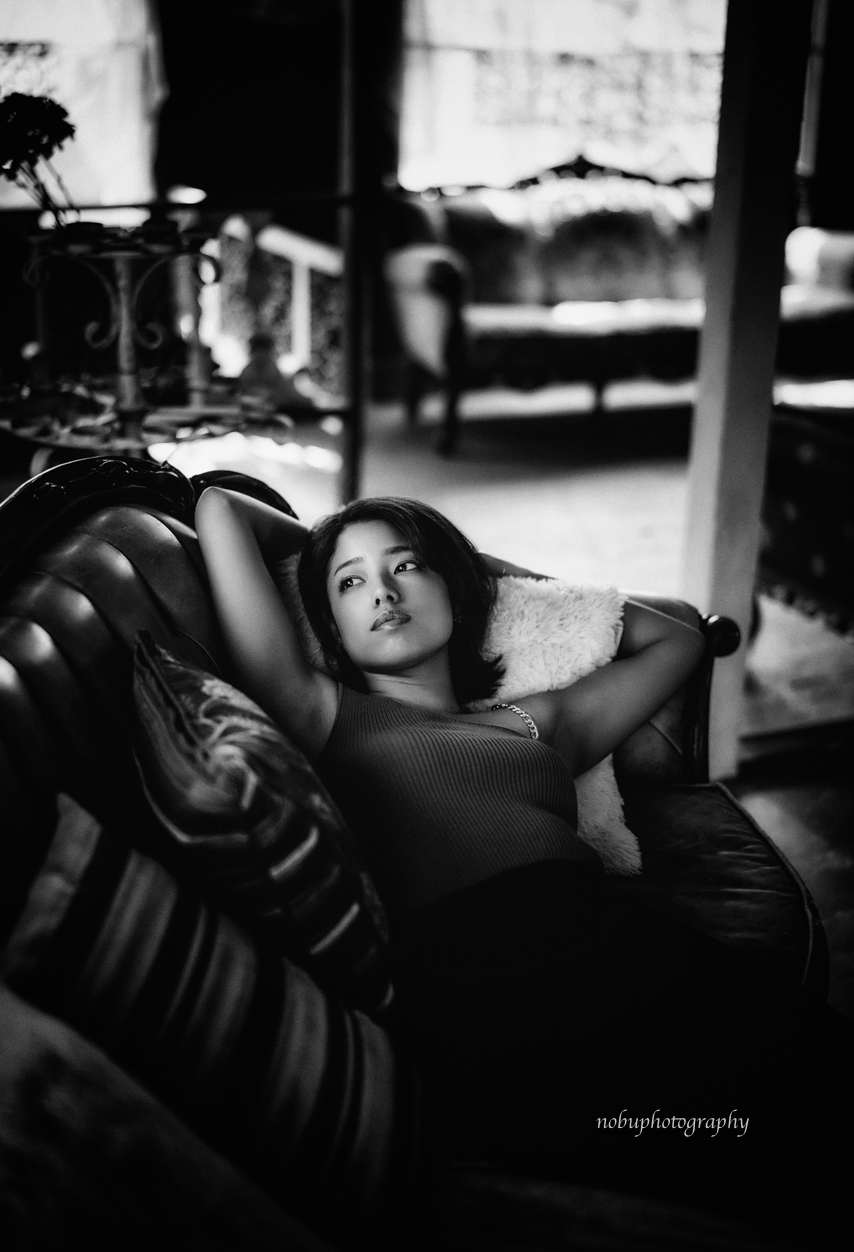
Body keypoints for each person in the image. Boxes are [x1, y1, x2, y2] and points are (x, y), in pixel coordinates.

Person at [195, 487, 851, 1248]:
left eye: (407, 566)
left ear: (456, 585)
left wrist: (481, 570)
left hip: (621, 945)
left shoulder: (542, 725)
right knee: (707, 1146)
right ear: (329, 622)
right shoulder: (319, 712)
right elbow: (218, 507)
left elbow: (678, 640)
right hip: (484, 987)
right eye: (350, 582)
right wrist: (327, 539)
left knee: (815, 1086)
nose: (382, 592)